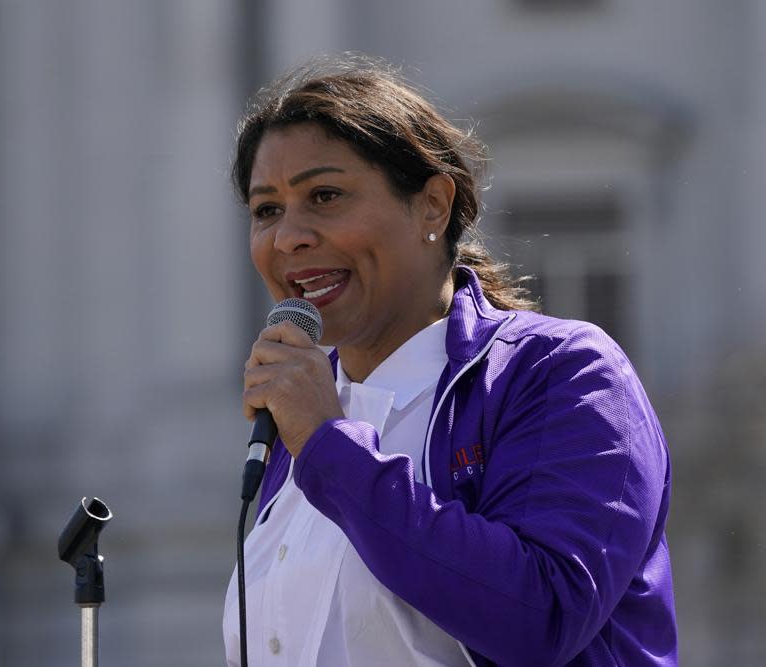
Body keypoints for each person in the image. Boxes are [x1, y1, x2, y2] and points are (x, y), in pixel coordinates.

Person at [222, 55, 676, 667]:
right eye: (266, 210)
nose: (288, 238)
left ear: (433, 205)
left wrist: (330, 447)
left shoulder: (559, 371)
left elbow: (542, 615)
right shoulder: (297, 422)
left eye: (324, 196)